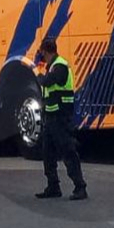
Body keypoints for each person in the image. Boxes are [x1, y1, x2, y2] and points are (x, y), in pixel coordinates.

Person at [34, 37, 87, 201]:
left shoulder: (60, 66)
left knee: (68, 151)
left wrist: (39, 75)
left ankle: (80, 187)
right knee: (47, 153)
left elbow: (49, 82)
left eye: (41, 53)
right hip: (50, 118)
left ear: (46, 51)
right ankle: (53, 186)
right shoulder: (52, 66)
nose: (40, 56)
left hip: (61, 117)